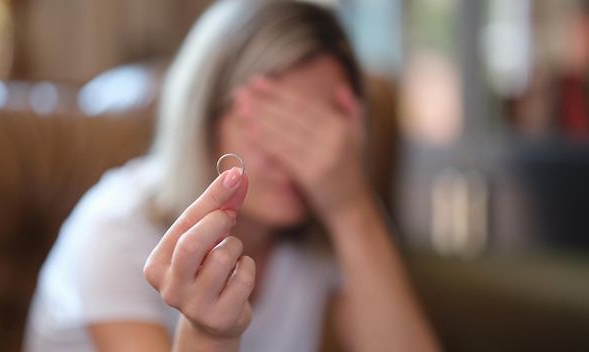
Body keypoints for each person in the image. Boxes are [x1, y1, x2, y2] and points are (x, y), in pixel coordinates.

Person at [24, 0, 440, 351]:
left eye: (317, 128)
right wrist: (208, 333)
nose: (301, 156)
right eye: (274, 120)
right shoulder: (113, 230)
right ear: (205, 115)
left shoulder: (334, 220)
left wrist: (352, 206)